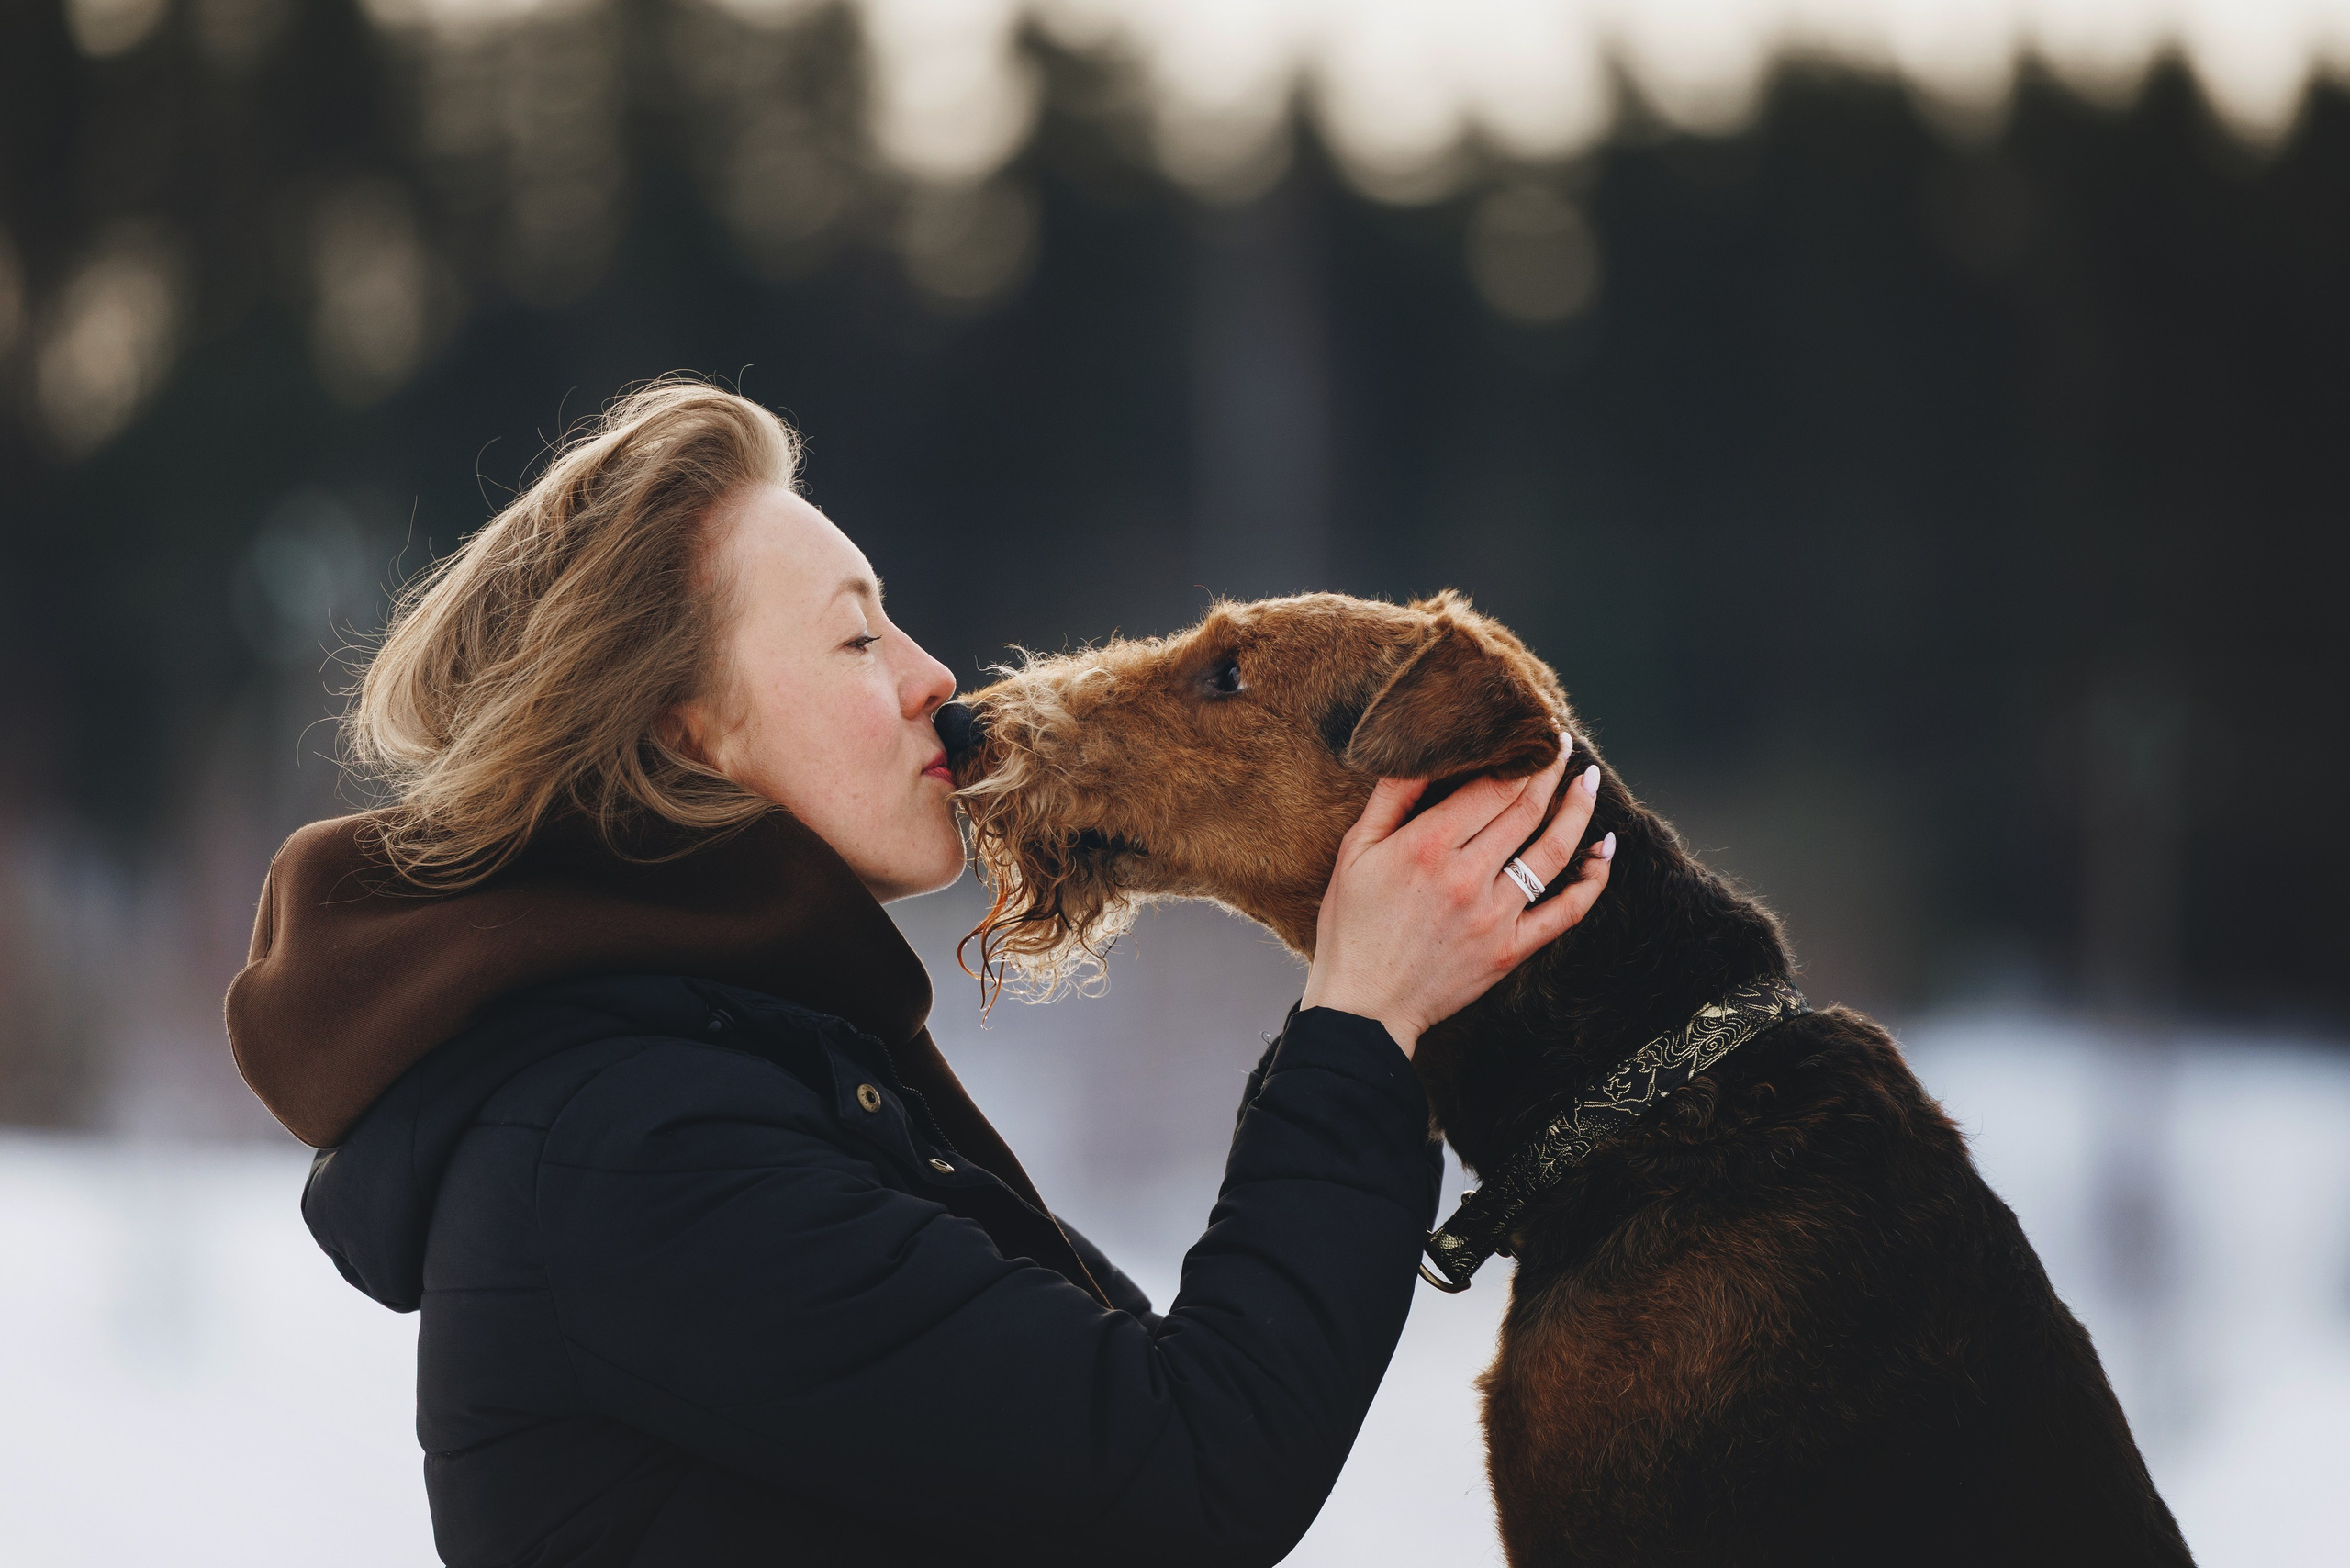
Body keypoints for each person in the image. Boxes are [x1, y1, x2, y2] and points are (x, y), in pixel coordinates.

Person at [226, 380, 1612, 1567]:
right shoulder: (633, 1151)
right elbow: (1187, 1464)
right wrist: (1363, 1026)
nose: (935, 678)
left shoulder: (747, 1076)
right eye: (855, 635)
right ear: (687, 732)